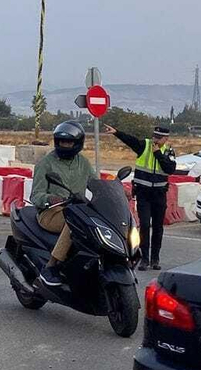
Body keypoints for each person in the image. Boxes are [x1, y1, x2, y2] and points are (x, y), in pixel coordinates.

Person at [31, 120, 96, 287]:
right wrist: (51, 199)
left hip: (78, 209)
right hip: (51, 213)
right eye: (61, 141)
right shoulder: (46, 163)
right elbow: (35, 195)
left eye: (69, 142)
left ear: (78, 143)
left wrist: (116, 189)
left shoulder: (83, 163)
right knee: (74, 222)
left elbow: (96, 183)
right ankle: (50, 267)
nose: (65, 145)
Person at [105, 123, 177, 270]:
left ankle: (155, 259)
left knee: (157, 227)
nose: (155, 140)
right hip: (143, 194)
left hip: (159, 194)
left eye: (159, 138)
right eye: (154, 136)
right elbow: (130, 140)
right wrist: (116, 132)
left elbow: (170, 169)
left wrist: (158, 153)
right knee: (144, 225)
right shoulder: (144, 145)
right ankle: (145, 258)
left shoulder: (168, 151)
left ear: (166, 139)